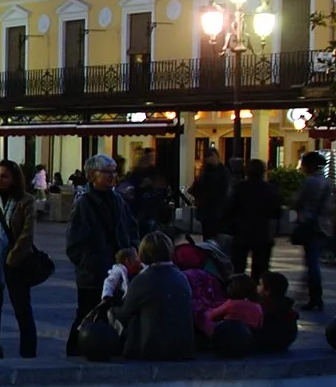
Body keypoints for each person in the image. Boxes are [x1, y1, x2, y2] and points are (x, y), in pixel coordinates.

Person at [64, 153, 138, 356]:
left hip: (117, 271)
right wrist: (89, 263)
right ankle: (75, 349)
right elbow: (74, 243)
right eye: (106, 172)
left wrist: (132, 248)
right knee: (87, 312)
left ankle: (102, 347)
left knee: (112, 313)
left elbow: (131, 228)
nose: (111, 176)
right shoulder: (84, 204)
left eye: (113, 172)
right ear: (92, 176)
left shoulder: (117, 200)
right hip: (93, 273)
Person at [0, 158, 38, 359]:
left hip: (16, 262)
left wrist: (13, 258)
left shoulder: (26, 201)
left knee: (22, 309)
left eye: (4, 176)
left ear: (14, 179)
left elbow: (27, 234)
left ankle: (28, 352)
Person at [116, 231, 195, 361]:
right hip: (182, 347)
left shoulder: (143, 280)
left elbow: (124, 314)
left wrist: (112, 308)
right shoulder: (182, 277)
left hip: (151, 348)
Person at [222, 159, 280, 278]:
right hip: (262, 231)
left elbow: (229, 208)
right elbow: (276, 212)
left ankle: (238, 290)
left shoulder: (240, 188)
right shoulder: (270, 189)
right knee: (260, 268)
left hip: (241, 231)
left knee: (238, 266)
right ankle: (256, 290)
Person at [292, 152, 335, 311]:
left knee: (312, 262)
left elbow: (299, 202)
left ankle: (314, 295)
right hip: (323, 225)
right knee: (313, 260)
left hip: (310, 224)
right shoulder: (327, 182)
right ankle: (313, 294)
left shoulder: (310, 182)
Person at [254, 271, 299, 352]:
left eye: (260, 285)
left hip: (264, 342)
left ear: (267, 291)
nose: (257, 287)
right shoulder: (287, 305)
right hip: (285, 343)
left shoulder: (263, 305)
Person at [192, 150, 228, 240]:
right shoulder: (206, 172)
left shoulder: (221, 171)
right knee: (208, 234)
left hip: (216, 208)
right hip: (208, 208)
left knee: (213, 233)